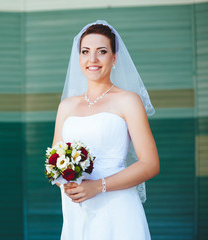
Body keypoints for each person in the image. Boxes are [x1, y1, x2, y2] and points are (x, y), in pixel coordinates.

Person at [52, 20, 159, 239]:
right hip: (77, 208)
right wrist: (67, 181)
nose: (92, 59)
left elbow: (150, 164)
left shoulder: (128, 101)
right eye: (85, 51)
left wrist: (98, 186)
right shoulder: (66, 106)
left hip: (118, 207)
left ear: (114, 57)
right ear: (79, 57)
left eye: (101, 51)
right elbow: (54, 159)